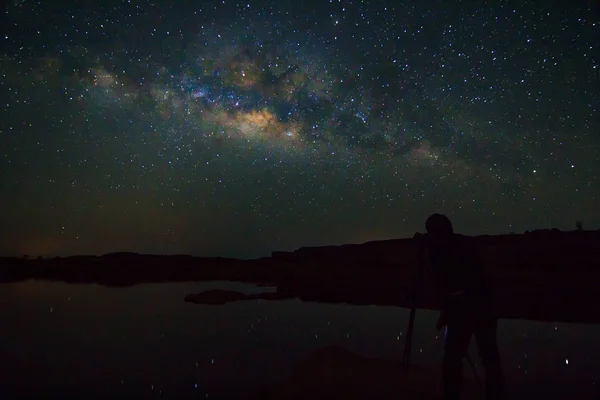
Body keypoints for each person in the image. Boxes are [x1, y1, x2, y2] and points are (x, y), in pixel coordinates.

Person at [423, 213, 504, 400]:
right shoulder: (460, 245)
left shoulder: (442, 251)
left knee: (457, 355)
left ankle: (453, 394)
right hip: (480, 306)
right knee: (484, 355)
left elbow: (446, 284)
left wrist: (448, 310)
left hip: (471, 306)